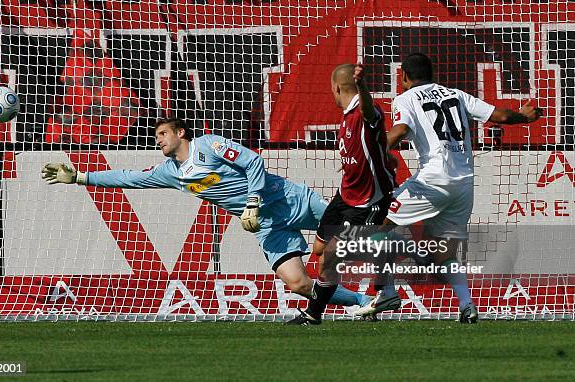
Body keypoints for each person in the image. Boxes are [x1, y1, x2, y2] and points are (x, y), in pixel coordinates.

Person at [42, 117, 372, 313]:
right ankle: (361, 300)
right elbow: (130, 177)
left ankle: (391, 281)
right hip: (266, 226)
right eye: (156, 136)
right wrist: (82, 177)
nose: (158, 140)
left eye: (163, 134)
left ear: (181, 133)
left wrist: (253, 201)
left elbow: (254, 162)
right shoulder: (170, 172)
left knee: (359, 236)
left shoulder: (210, 145)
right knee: (298, 283)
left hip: (287, 199)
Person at [354, 53, 543, 323]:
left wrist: (368, 154)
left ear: (404, 77)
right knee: (444, 253)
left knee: (377, 228)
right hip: (463, 184)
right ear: (430, 74)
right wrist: (524, 117)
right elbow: (499, 115)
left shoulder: (405, 99)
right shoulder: (455, 94)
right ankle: (467, 305)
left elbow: (399, 130)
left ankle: (388, 289)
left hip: (432, 180)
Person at [287, 63, 395, 325]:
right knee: (319, 249)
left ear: (336, 88)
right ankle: (380, 244)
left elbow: (371, 114)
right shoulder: (347, 114)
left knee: (331, 255)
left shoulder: (363, 111)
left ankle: (314, 313)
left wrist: (363, 86)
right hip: (345, 194)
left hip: (369, 200)